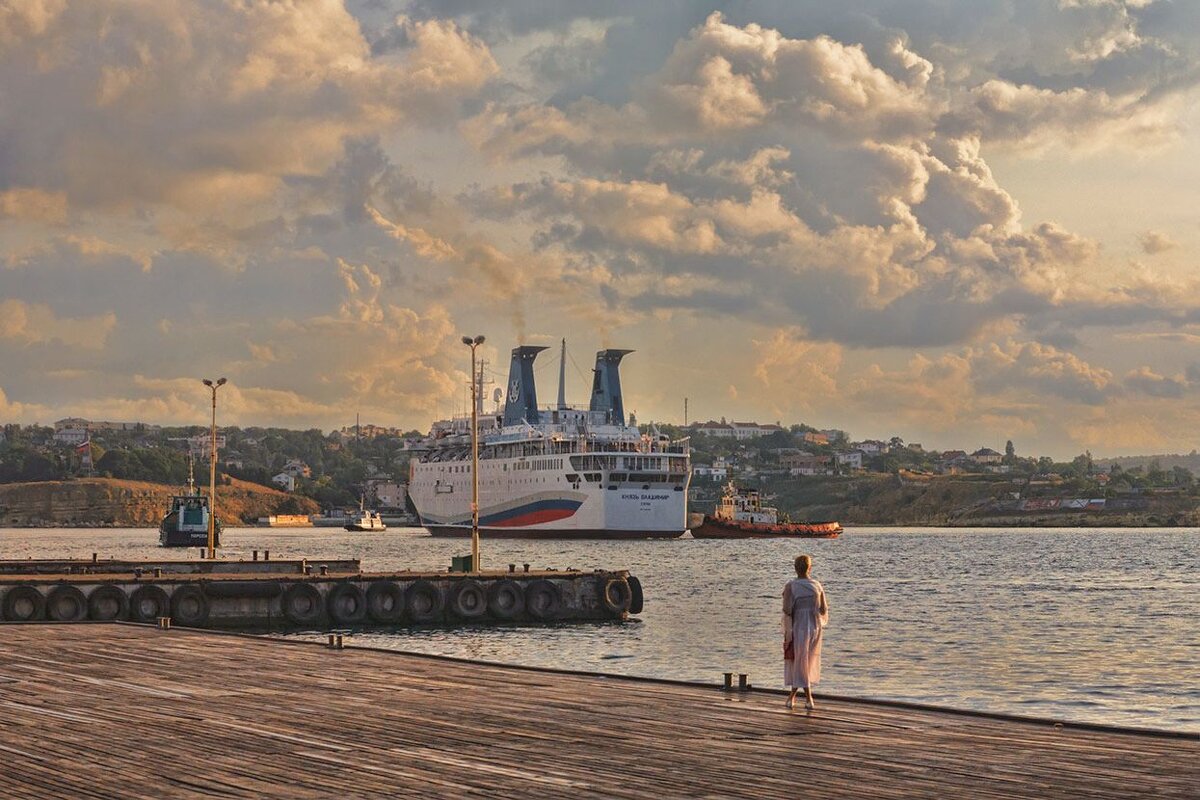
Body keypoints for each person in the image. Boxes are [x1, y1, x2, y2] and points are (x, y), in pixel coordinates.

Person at [783, 554, 829, 710]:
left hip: (800, 626)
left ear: (795, 568)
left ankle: (806, 698)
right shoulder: (817, 585)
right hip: (815, 627)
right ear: (810, 568)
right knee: (806, 662)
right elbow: (823, 609)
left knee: (800, 662)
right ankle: (796, 697)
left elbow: (787, 610)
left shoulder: (791, 586)